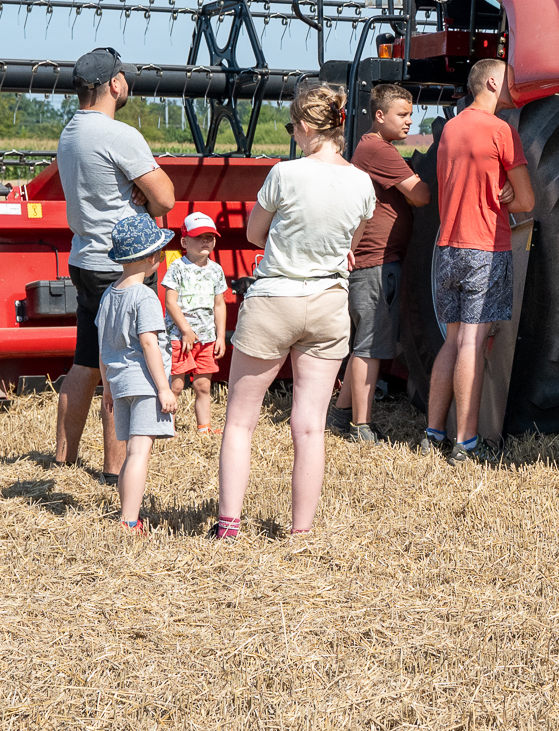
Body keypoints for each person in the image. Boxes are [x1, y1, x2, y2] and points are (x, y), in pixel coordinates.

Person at [212, 83, 374, 540]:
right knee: (309, 428)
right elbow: (351, 247)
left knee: (241, 420)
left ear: (304, 128)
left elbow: (254, 235)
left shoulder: (285, 174)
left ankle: (229, 526)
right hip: (328, 304)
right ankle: (301, 531)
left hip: (275, 299)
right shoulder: (362, 183)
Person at [55, 46, 176, 482]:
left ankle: (64, 458)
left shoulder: (69, 133)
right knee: (122, 368)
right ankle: (114, 469)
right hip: (123, 264)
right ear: (115, 84)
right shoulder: (119, 135)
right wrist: (140, 191)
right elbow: (165, 198)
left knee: (87, 360)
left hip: (85, 258)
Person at [427, 58, 533, 464]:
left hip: (447, 247)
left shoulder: (451, 128)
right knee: (473, 341)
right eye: (510, 75)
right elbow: (526, 201)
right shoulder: (501, 130)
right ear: (492, 81)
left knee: (452, 339)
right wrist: (506, 192)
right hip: (484, 250)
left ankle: (433, 432)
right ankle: (466, 442)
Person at [332, 82, 432, 444]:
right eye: (402, 114)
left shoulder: (372, 147)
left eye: (411, 114)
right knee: (371, 347)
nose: (410, 121)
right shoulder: (380, 149)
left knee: (367, 342)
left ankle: (341, 416)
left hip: (374, 261)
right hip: (377, 263)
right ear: (379, 115)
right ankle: (362, 426)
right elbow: (420, 195)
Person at [97, 212, 178, 533]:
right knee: (138, 453)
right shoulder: (144, 296)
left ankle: (128, 514)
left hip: (119, 385)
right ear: (151, 257)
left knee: (133, 450)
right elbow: (149, 344)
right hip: (145, 385)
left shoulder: (108, 296)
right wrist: (164, 388)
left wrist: (106, 387)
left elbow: (103, 348)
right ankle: (129, 520)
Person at [162, 211, 228, 433]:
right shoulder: (177, 268)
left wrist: (220, 336)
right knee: (176, 385)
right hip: (180, 338)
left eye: (209, 237)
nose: (205, 241)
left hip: (207, 338)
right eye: (199, 237)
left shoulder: (216, 270)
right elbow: (170, 302)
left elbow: (219, 304)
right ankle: (166, 430)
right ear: (184, 241)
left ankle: (204, 428)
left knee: (203, 385)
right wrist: (185, 330)